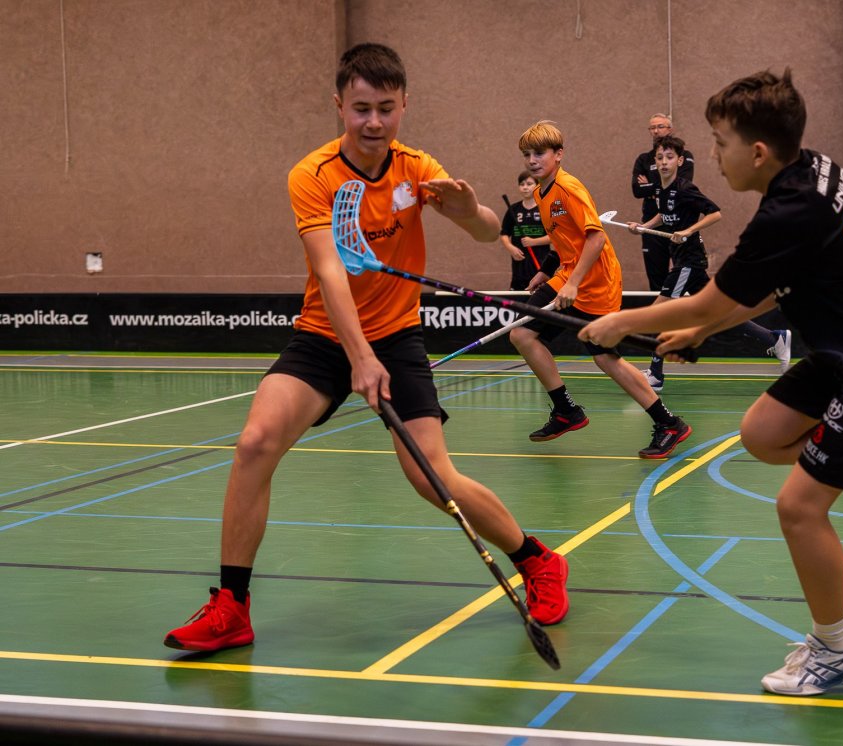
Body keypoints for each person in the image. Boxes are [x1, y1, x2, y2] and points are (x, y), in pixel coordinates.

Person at [164, 43, 569, 653]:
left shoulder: (416, 168)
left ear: (404, 104)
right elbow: (330, 270)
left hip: (397, 336)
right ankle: (231, 607)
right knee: (255, 442)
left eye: (385, 108)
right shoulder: (313, 175)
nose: (374, 122)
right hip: (325, 335)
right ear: (339, 106)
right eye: (361, 109)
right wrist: (358, 355)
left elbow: (489, 232)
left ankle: (537, 559)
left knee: (432, 478)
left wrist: (473, 211)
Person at [579, 70, 843, 696]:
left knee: (798, 508)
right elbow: (772, 287)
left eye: (720, 142)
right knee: (763, 433)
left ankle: (837, 650)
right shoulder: (813, 172)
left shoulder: (789, 209)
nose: (714, 154)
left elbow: (709, 300)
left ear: (758, 151)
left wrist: (620, 321)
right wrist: (701, 330)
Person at [510, 120, 692, 460]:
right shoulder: (540, 193)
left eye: (540, 153)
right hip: (567, 275)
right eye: (527, 154)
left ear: (558, 154)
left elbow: (595, 238)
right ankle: (566, 411)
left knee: (606, 358)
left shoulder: (568, 188)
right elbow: (565, 239)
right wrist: (545, 272)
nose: (532, 160)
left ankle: (669, 424)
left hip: (596, 282)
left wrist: (573, 283)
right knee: (522, 334)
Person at [628, 134, 791, 392]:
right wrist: (643, 226)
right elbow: (664, 214)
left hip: (688, 262)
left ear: (680, 161)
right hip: (684, 261)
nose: (664, 162)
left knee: (659, 311)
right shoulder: (660, 189)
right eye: (659, 158)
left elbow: (715, 213)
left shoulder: (685, 188)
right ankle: (774, 338)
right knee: (718, 314)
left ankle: (656, 374)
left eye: (669, 157)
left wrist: (689, 230)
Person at [631, 114, 695, 292]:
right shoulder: (644, 159)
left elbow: (682, 185)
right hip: (652, 224)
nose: (656, 131)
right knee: (656, 276)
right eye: (652, 128)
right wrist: (663, 187)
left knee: (683, 274)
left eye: (660, 126)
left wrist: (652, 186)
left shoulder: (685, 155)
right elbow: (637, 190)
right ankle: (659, 307)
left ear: (670, 129)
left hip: (677, 224)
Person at [499, 171, 551, 290]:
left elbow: (555, 236)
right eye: (522, 184)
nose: (525, 187)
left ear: (538, 186)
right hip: (519, 267)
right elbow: (504, 234)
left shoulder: (545, 208)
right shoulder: (513, 209)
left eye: (529, 184)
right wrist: (510, 248)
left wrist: (534, 241)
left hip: (541, 265)